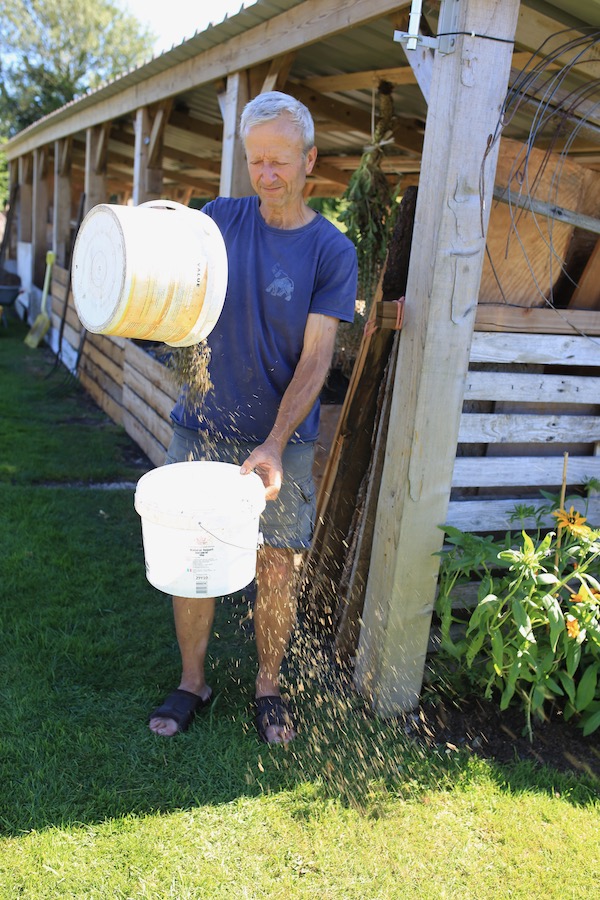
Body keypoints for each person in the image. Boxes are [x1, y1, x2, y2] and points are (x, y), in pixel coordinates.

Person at [149, 91, 358, 744]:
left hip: (283, 440)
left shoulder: (331, 251)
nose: (266, 175)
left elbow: (318, 358)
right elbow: (180, 296)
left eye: (279, 161)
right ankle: (193, 681)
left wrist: (271, 444)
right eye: (255, 161)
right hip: (203, 425)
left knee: (277, 565)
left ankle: (268, 684)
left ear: (309, 161)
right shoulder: (217, 219)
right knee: (193, 554)